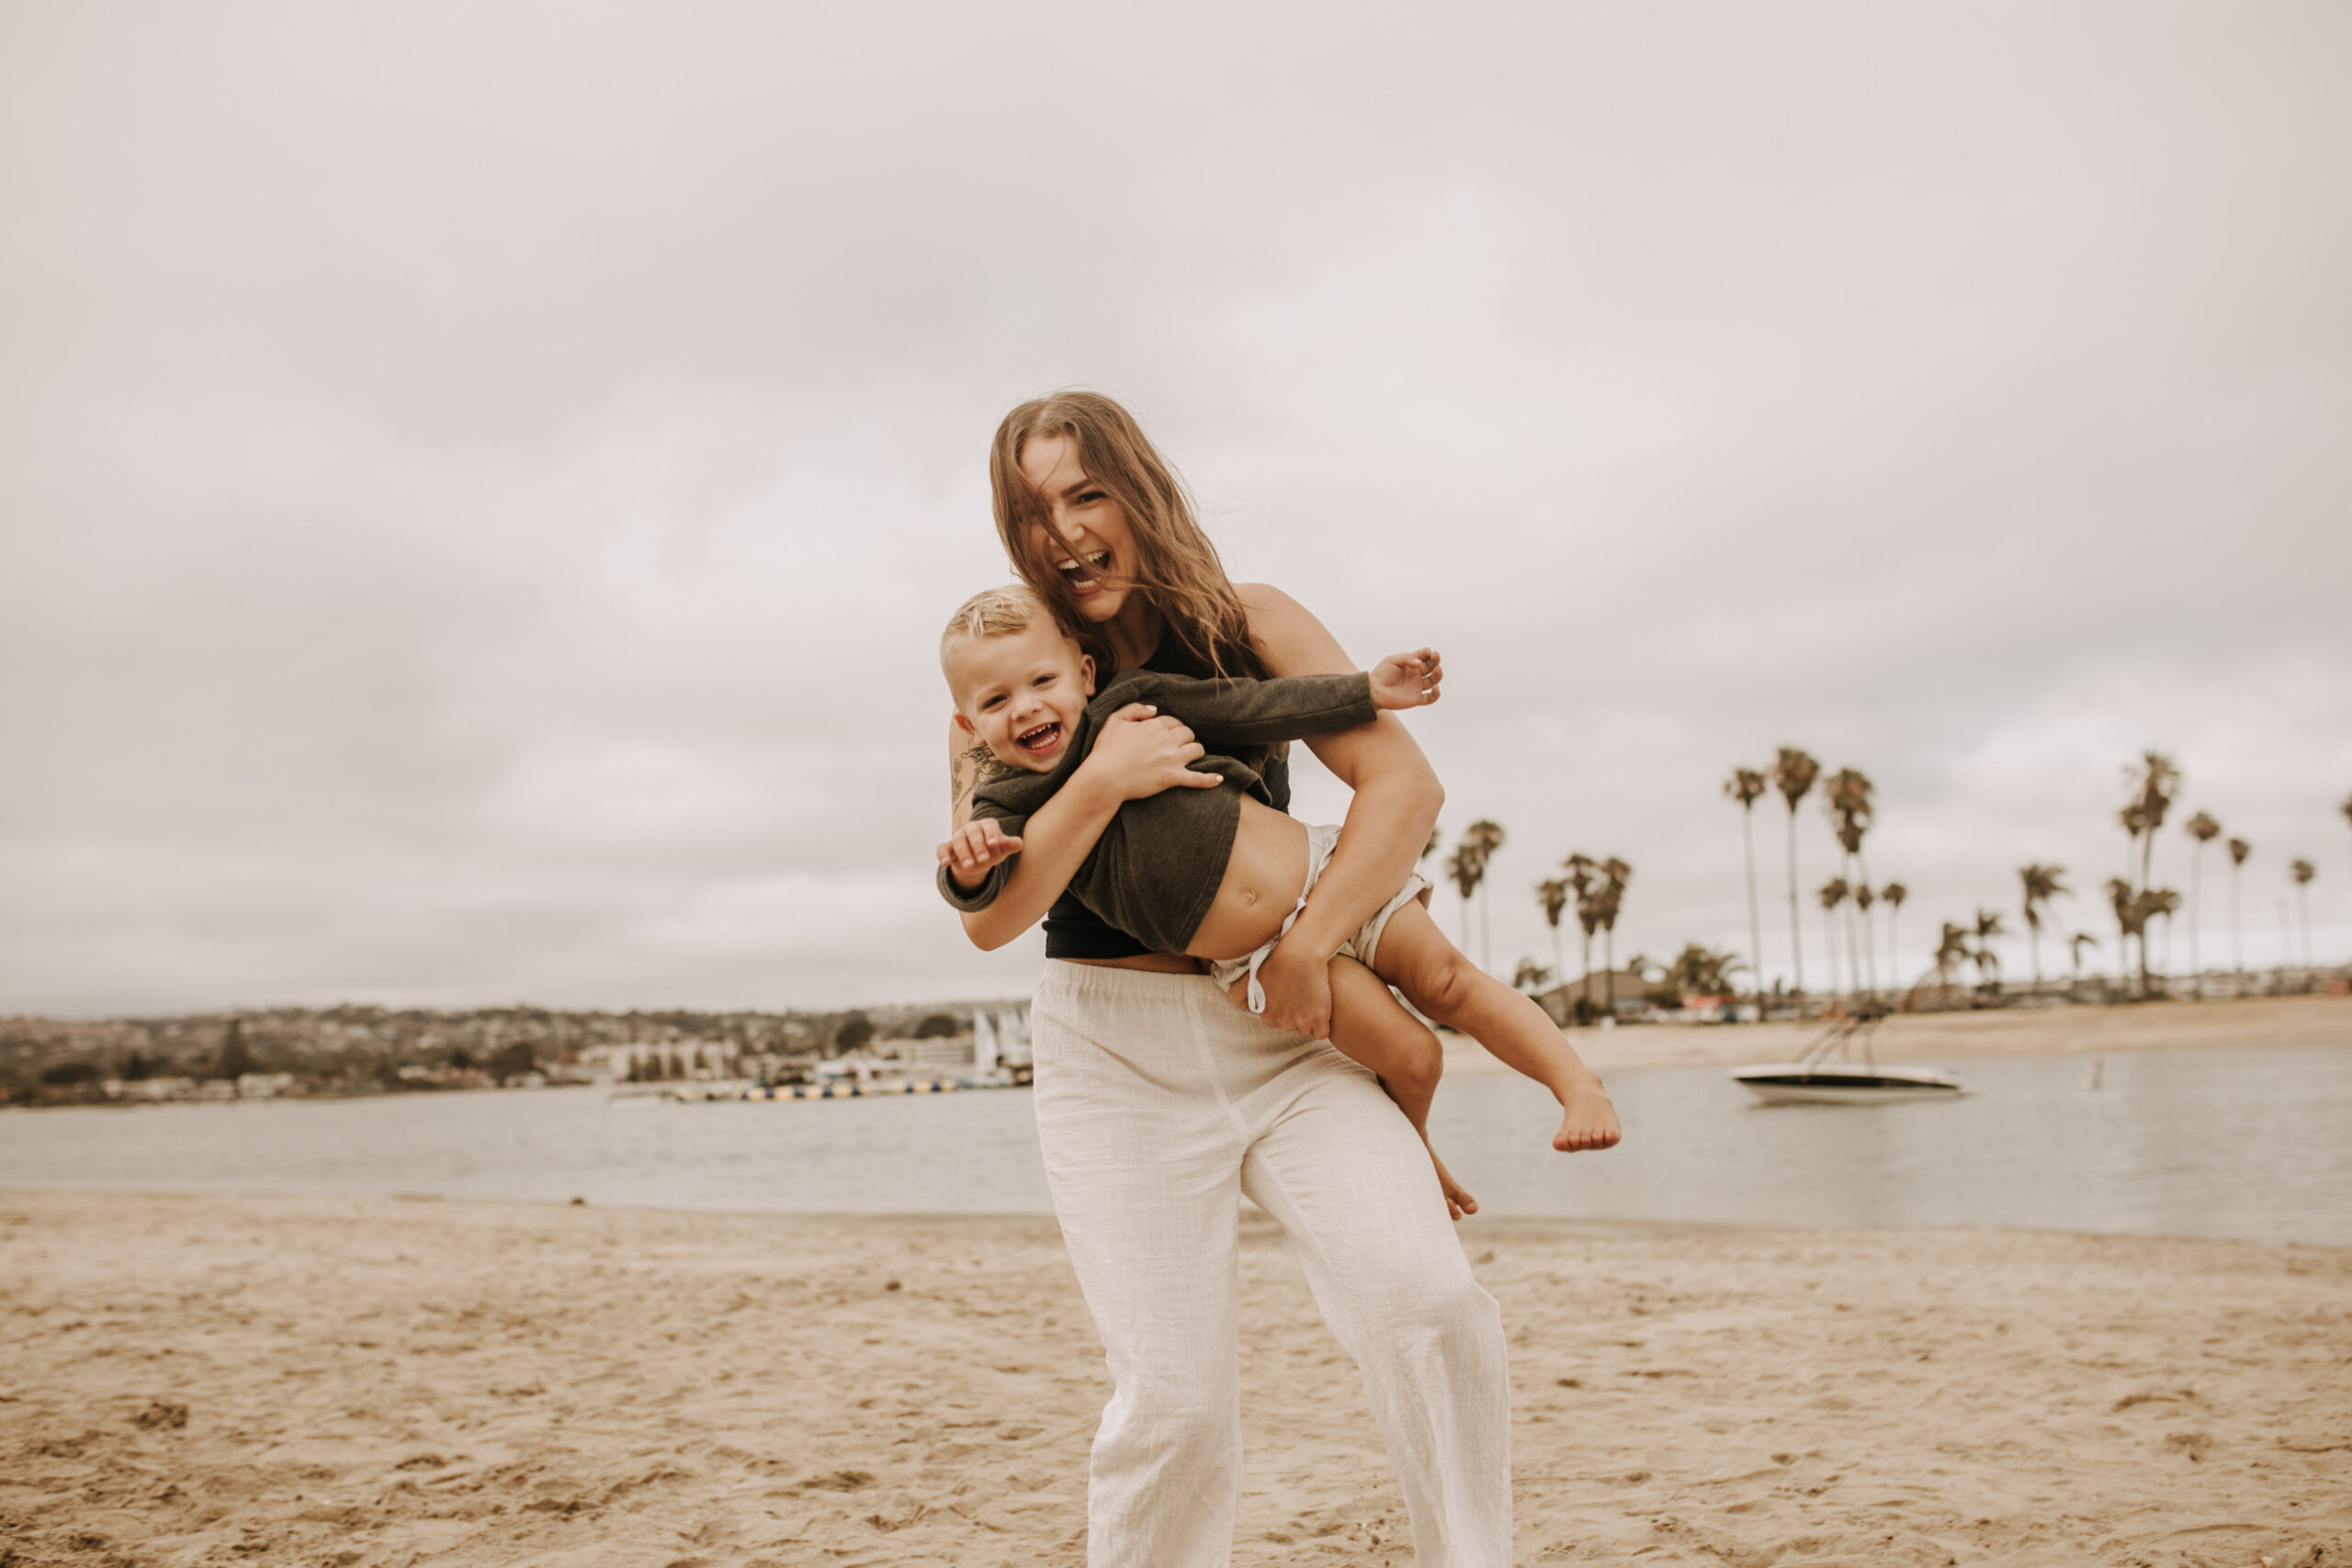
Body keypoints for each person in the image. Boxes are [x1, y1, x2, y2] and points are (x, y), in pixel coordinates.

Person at [944, 389, 1552, 1567]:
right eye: (1035, 510)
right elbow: (995, 917)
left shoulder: (1249, 622)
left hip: (1283, 1021)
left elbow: (1405, 793)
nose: (1065, 531)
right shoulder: (1000, 686)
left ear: (1139, 489)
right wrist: (1101, 778)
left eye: (1086, 492)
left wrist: (1308, 947)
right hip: (1111, 1056)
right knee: (1172, 1404)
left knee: (1426, 1306)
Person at [934, 582, 1620, 1218]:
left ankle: (1575, 1083)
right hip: (1250, 959)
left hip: (1326, 874)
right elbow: (986, 889)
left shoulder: (1135, 700)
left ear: (1085, 674)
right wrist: (966, 870)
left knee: (1446, 980)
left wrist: (1365, 691)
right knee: (1414, 1054)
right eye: (995, 702)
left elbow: (1256, 705)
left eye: (1041, 681)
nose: (1024, 706)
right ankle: (1413, 1150)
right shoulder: (1007, 800)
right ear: (969, 722)